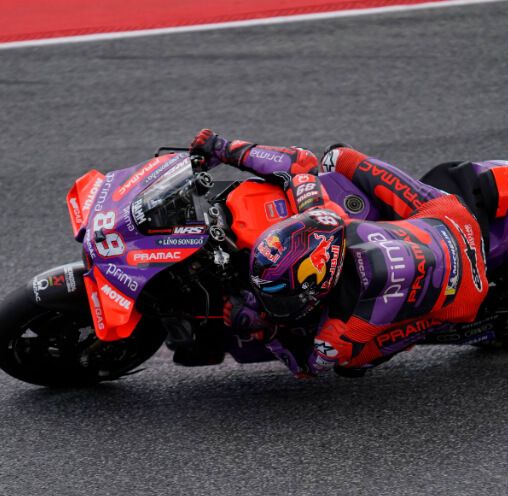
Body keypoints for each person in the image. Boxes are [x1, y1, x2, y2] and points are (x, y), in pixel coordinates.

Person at [190, 129, 491, 377]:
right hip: (448, 217)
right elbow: (298, 163)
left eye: (281, 295)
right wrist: (224, 148)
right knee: (336, 157)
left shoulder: (337, 330)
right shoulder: (323, 217)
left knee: (351, 364)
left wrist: (268, 333)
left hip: (465, 293)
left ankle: (446, 325)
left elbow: (308, 367)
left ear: (320, 287)